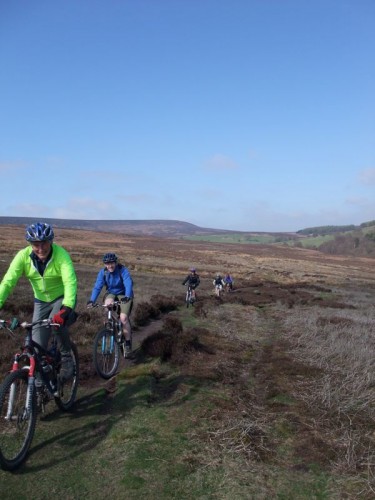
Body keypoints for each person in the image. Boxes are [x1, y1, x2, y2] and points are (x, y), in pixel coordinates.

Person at [0, 222, 78, 384]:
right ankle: (40, 386)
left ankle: (66, 357)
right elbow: (7, 282)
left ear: (51, 241)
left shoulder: (61, 255)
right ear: (30, 244)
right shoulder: (23, 257)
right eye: (36, 244)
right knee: (36, 348)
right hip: (41, 301)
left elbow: (70, 282)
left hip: (62, 297)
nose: (40, 248)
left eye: (44, 243)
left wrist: (66, 308)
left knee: (56, 325)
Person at [87, 253, 134, 356]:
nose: (110, 266)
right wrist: (92, 301)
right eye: (107, 264)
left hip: (124, 294)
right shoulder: (103, 273)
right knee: (107, 305)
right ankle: (109, 327)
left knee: (123, 318)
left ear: (115, 262)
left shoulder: (122, 270)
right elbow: (97, 287)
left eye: (112, 263)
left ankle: (127, 343)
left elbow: (128, 283)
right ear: (105, 264)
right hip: (111, 293)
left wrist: (127, 296)